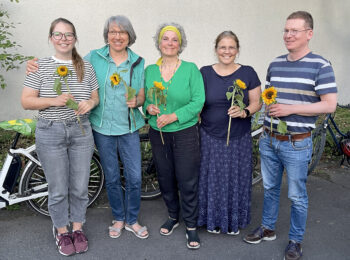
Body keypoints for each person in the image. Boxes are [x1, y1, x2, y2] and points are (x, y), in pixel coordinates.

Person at [26, 15, 148, 240]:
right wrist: (35, 65)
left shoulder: (138, 62)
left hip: (129, 126)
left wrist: (138, 102)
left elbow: (141, 94)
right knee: (111, 177)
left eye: (122, 32)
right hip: (101, 127)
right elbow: (66, 61)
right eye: (113, 31)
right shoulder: (93, 58)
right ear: (107, 35)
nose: (117, 36)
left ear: (129, 35)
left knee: (134, 177)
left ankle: (132, 219)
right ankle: (119, 218)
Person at [243, 11, 337, 260]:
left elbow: (329, 105)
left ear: (309, 34)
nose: (288, 35)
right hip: (269, 139)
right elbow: (268, 97)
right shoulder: (275, 63)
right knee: (270, 188)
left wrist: (292, 109)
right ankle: (268, 228)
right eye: (286, 30)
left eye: (295, 30)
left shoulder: (320, 65)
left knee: (296, 195)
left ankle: (296, 240)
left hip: (297, 142)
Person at [21, 18, 99, 256]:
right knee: (57, 188)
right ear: (51, 38)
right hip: (50, 129)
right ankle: (62, 231)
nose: (63, 39)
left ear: (75, 38)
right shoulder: (40, 66)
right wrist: (53, 100)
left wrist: (89, 103)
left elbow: (95, 97)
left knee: (79, 186)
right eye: (58, 34)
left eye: (68, 35)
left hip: (81, 130)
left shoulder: (86, 66)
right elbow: (26, 101)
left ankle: (77, 228)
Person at [143, 23, 205, 249]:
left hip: (185, 132)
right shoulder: (150, 70)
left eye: (174, 39)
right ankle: (173, 215)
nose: (169, 43)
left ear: (181, 44)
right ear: (158, 43)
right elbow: (147, 100)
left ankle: (191, 225)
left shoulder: (190, 69)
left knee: (187, 179)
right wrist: (149, 109)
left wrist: (174, 116)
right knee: (166, 177)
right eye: (165, 39)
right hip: (158, 133)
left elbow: (198, 101)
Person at [197, 31, 261, 235]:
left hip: (238, 137)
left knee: (235, 179)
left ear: (237, 50)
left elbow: (256, 102)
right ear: (216, 49)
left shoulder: (248, 72)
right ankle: (211, 220)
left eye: (231, 47)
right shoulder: (205, 72)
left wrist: (245, 112)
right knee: (211, 179)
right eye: (222, 47)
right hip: (209, 135)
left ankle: (233, 221)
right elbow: (197, 103)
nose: (227, 51)